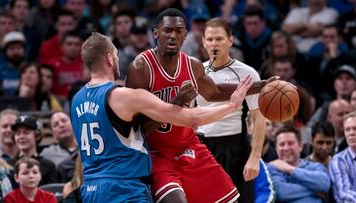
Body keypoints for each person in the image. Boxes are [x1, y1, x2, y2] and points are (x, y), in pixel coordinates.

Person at [70, 32, 252, 202]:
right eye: (116, 56)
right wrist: (232, 105)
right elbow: (192, 118)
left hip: (91, 190)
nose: (118, 59)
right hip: (124, 188)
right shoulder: (124, 96)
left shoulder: (76, 101)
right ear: (110, 58)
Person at [126, 8, 270, 203]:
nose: (173, 35)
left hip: (189, 146)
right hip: (155, 153)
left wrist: (262, 85)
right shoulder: (141, 67)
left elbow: (215, 92)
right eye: (167, 30)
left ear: (186, 35)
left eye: (178, 31)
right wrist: (176, 102)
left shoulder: (192, 66)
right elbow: (135, 128)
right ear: (156, 33)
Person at [196, 17, 266, 203]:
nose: (214, 44)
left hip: (234, 146)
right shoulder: (196, 73)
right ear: (203, 42)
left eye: (219, 39)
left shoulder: (247, 73)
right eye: (209, 39)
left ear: (230, 41)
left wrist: (255, 157)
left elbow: (259, 118)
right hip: (202, 147)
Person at [267, 125, 331, 203]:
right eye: (282, 144)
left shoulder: (315, 166)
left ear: (300, 146)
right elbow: (282, 193)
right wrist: (315, 190)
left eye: (290, 143)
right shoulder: (272, 168)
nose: (286, 148)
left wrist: (290, 169)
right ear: (276, 149)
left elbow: (324, 184)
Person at [329, 111, 356, 202]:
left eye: (355, 128)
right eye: (347, 129)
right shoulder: (339, 160)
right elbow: (344, 194)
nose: (351, 133)